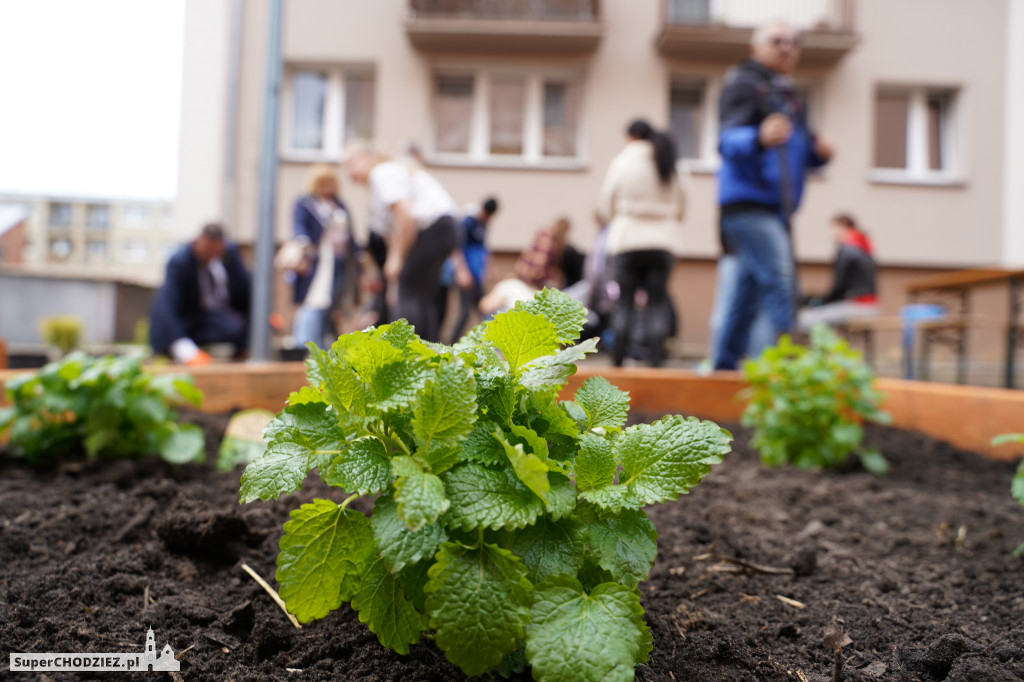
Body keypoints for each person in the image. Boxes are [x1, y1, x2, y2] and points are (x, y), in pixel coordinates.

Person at [712, 21, 834, 370]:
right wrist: (757, 138)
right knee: (782, 283)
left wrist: (819, 154)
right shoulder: (745, 85)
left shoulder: (790, 96)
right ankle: (785, 374)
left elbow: (793, 152)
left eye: (794, 42)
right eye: (777, 41)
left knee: (745, 296)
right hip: (748, 206)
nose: (787, 47)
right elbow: (725, 141)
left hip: (774, 209)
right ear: (756, 48)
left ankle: (723, 369)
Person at [343, 140, 458, 342]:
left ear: (369, 158)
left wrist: (396, 258)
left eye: (352, 163)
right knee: (421, 296)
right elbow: (396, 226)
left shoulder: (383, 173)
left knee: (408, 293)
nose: (349, 172)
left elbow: (407, 217)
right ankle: (428, 356)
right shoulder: (389, 174)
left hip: (434, 228)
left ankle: (406, 356)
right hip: (445, 228)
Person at [597, 119, 687, 368]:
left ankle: (617, 364)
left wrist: (621, 221)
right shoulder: (670, 161)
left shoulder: (622, 162)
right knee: (657, 303)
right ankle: (657, 364)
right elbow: (682, 204)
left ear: (631, 137)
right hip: (663, 242)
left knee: (624, 302)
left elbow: (605, 205)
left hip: (627, 240)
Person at [150, 223, 251, 364]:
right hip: (186, 322)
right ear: (197, 241)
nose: (210, 256)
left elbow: (247, 289)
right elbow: (166, 306)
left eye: (215, 252)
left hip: (216, 318)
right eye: (207, 251)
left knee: (238, 328)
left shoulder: (230, 255)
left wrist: (265, 317)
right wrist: (185, 350)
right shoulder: (180, 262)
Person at [286, 164, 358, 349]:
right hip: (318, 264)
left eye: (330, 182)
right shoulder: (306, 203)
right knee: (314, 301)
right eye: (322, 182)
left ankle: (324, 344)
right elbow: (300, 227)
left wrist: (360, 257)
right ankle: (304, 344)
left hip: (340, 261)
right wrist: (303, 244)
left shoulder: (339, 204)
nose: (327, 186)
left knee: (333, 305)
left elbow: (351, 234)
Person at [798, 213, 878, 330]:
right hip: (871, 306)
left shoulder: (846, 250)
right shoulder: (863, 246)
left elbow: (839, 287)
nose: (831, 233)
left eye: (833, 228)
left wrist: (821, 303)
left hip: (857, 306)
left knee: (804, 319)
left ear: (843, 227)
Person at [447, 197, 499, 344]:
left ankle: (491, 342)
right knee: (465, 311)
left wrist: (490, 270)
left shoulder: (484, 226)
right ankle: (452, 344)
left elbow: (484, 249)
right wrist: (461, 271)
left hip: (476, 276)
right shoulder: (468, 222)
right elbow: (457, 248)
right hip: (467, 275)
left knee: (484, 308)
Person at [515, 217, 571, 289]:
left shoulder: (545, 233)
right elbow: (541, 258)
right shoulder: (549, 237)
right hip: (532, 273)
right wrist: (537, 273)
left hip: (526, 270)